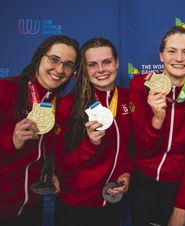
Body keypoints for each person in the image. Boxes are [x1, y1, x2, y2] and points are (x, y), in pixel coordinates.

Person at [0, 35, 79, 226]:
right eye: (54, 60)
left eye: (68, 65)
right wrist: (10, 143)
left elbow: (43, 152)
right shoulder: (0, 91)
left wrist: (49, 171)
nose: (59, 70)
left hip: (30, 209)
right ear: (39, 58)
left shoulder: (57, 105)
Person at [129, 26, 185, 226]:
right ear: (161, 55)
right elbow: (141, 146)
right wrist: (157, 119)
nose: (179, 58)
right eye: (172, 51)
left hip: (180, 185)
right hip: (143, 182)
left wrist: (181, 208)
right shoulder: (141, 85)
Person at [54, 37, 133, 226]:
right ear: (84, 69)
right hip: (76, 206)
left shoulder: (128, 99)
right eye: (92, 64)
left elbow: (133, 145)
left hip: (112, 202)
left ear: (117, 63)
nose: (100, 70)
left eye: (107, 62)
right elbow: (60, 162)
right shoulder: (68, 106)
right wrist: (90, 144)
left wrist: (128, 172)